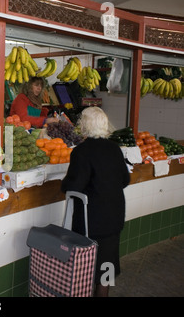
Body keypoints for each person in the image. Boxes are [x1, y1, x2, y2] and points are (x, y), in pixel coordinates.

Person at [60, 107, 130, 297]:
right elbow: (125, 180)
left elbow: (73, 186)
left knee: (85, 267)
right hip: (114, 217)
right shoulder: (115, 149)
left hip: (90, 221)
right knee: (107, 265)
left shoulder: (81, 152)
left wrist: (63, 184)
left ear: (85, 126)